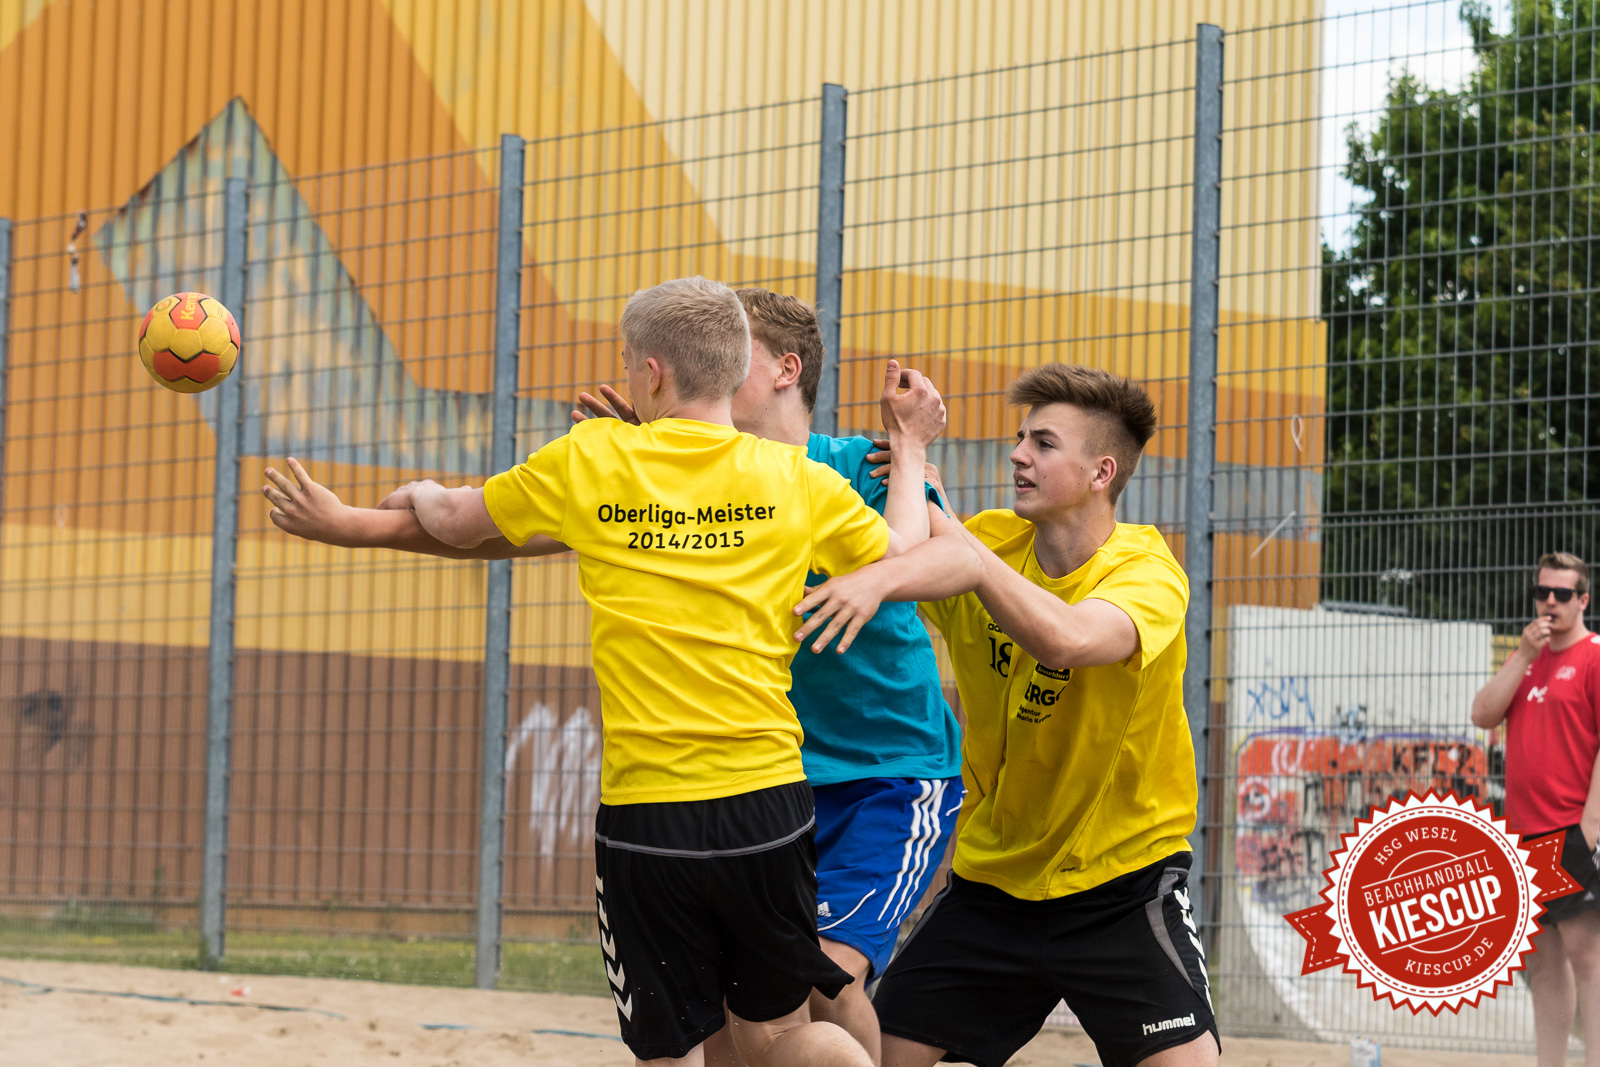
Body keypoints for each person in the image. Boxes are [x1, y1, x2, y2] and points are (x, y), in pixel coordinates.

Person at [260, 276, 980, 1067]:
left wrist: (410, 496)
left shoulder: (606, 458)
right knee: (779, 1032)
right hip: (772, 795)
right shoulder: (796, 484)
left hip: (677, 804)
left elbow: (467, 523)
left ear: (653, 373)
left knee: (703, 1032)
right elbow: (904, 546)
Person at [576, 287, 964, 1066]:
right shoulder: (707, 471)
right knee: (735, 1007)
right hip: (775, 784)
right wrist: (649, 447)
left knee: (826, 978)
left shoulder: (861, 462)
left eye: (735, 346)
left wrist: (892, 528)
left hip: (891, 775)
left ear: (787, 369)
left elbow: (953, 556)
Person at [795, 363, 1219, 1067]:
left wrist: (969, 559)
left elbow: (1071, 638)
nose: (1018, 453)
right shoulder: (987, 540)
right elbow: (901, 522)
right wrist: (673, 441)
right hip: (994, 885)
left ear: (1100, 471)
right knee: (862, 1049)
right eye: (1020, 437)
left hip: (1119, 881)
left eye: (1044, 443)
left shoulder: (1146, 569)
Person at [1471, 552, 1600, 1067]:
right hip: (1523, 835)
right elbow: (1483, 714)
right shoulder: (1526, 658)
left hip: (1575, 828)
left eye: (1562, 594)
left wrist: (1591, 823)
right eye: (1542, 592)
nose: (1550, 602)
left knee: (1586, 956)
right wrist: (1523, 656)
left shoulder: (1594, 656)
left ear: (1583, 600)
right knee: (1542, 964)